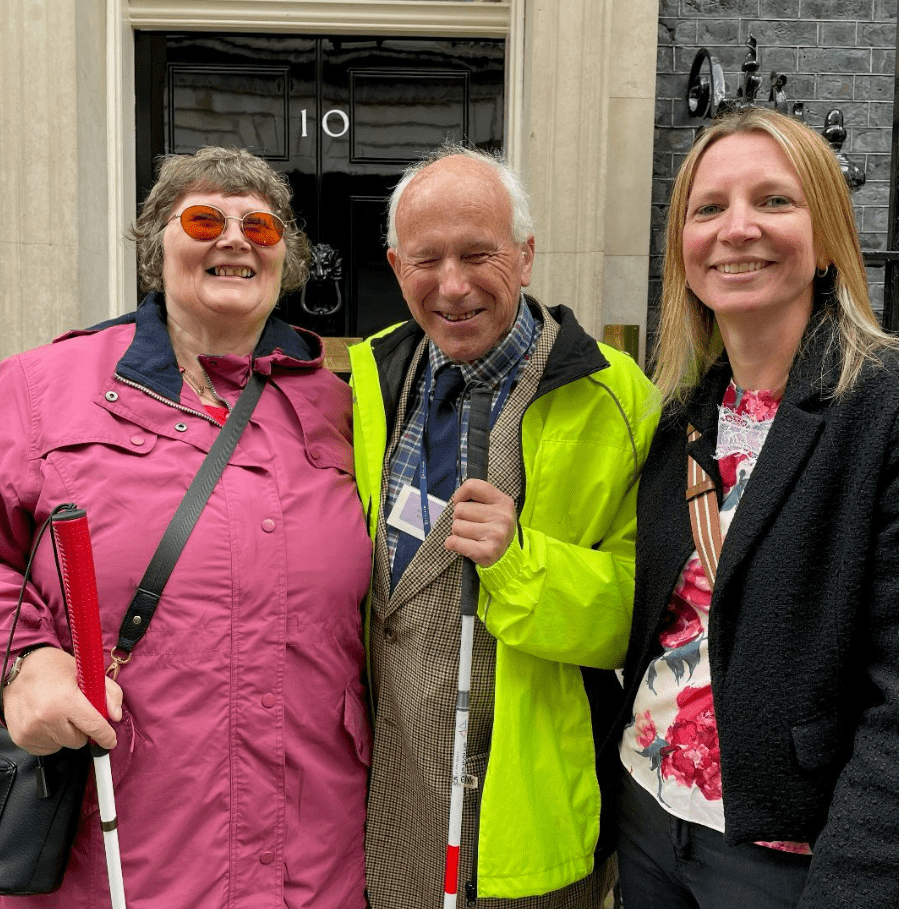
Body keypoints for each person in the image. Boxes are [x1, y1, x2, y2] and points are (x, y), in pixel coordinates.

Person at [0, 147, 372, 909]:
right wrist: (26, 660)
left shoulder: (344, 405)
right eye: (204, 219)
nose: (234, 238)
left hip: (312, 851)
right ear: (155, 245)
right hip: (115, 845)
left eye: (260, 226)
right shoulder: (41, 387)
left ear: (287, 257)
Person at [349, 145, 659, 907]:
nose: (452, 285)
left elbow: (646, 613)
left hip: (523, 813)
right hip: (385, 797)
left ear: (524, 256)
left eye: (477, 253)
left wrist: (519, 562)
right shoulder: (366, 380)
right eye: (426, 259)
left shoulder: (614, 398)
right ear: (395, 267)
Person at [611, 106, 899, 909]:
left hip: (783, 850)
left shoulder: (880, 409)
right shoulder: (682, 419)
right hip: (648, 807)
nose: (737, 229)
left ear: (827, 234)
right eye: (708, 208)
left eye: (773, 201)